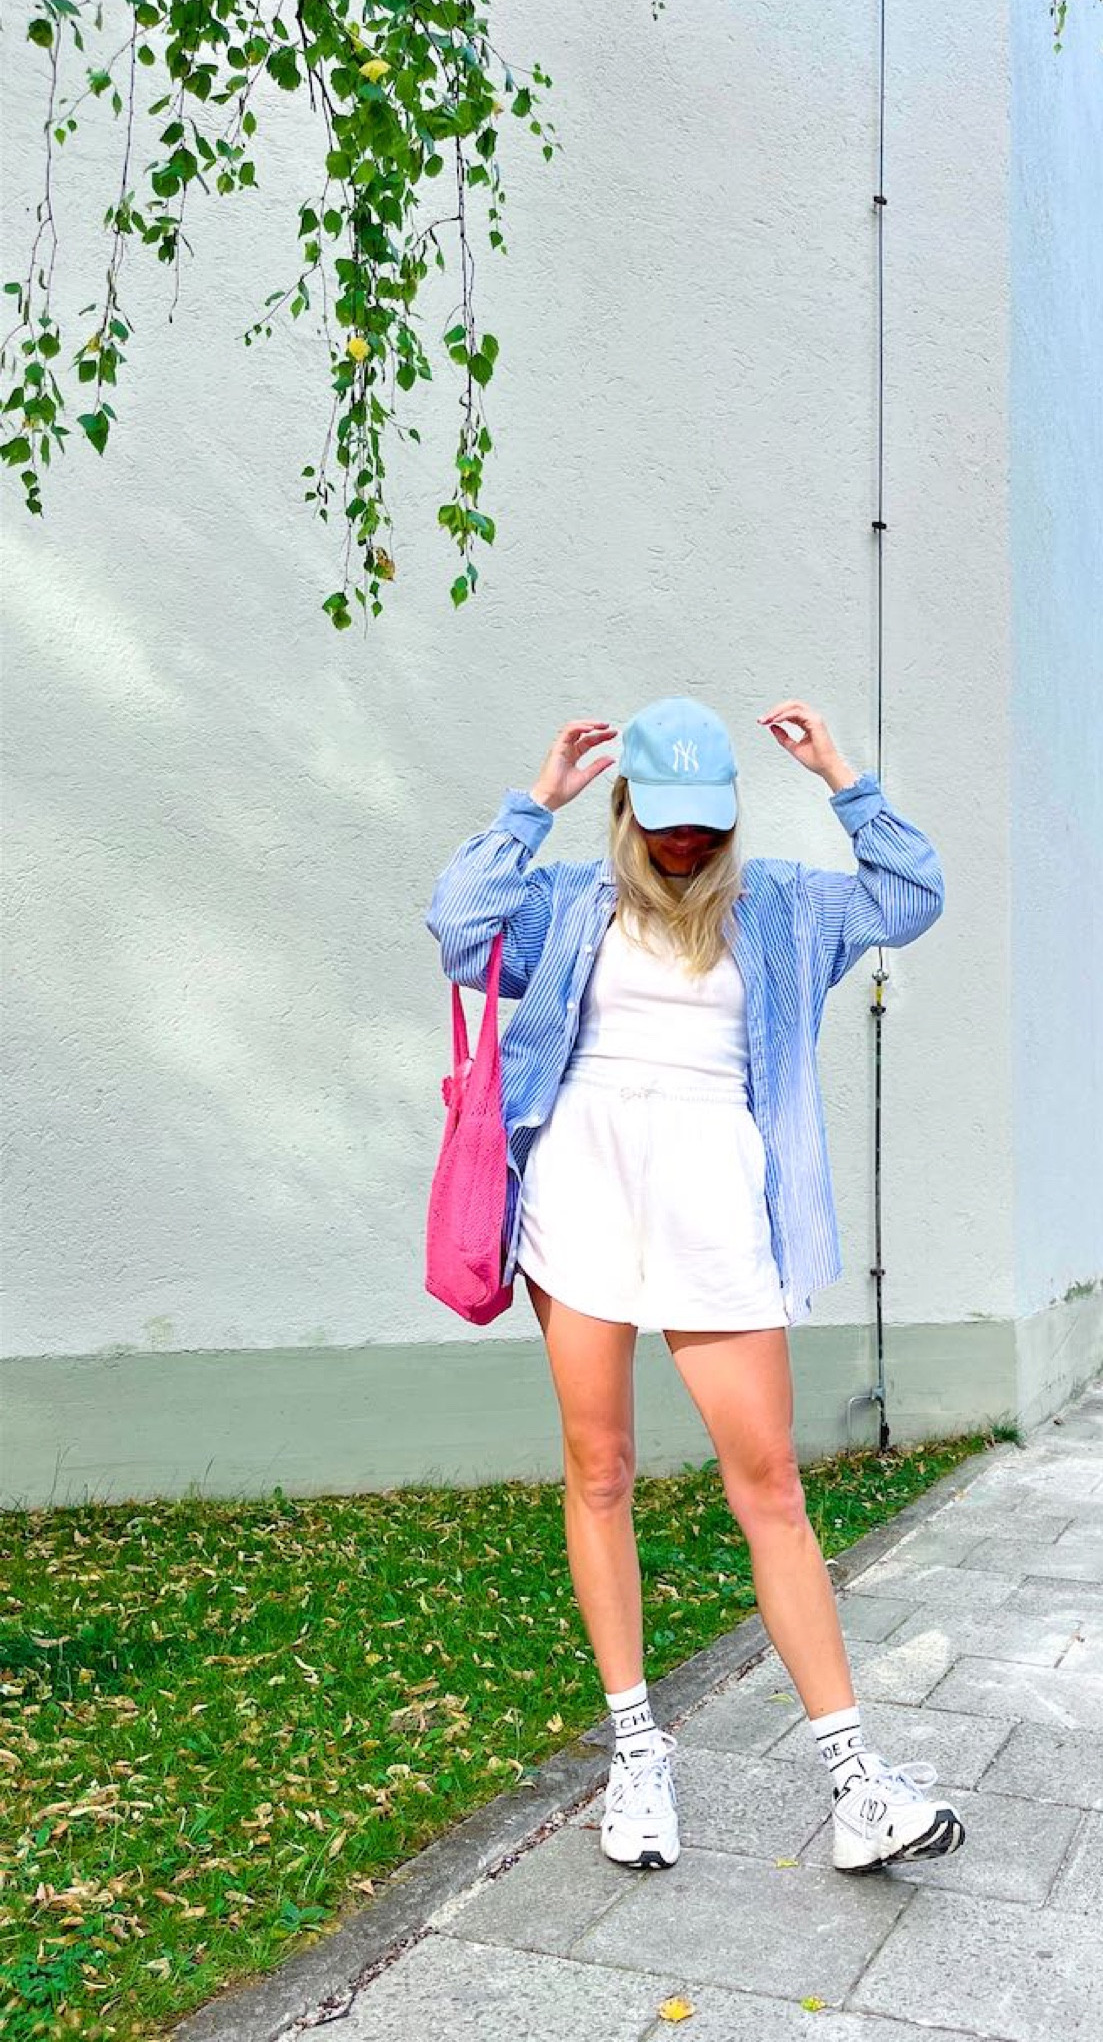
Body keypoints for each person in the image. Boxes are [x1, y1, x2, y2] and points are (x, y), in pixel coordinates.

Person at [425, 695, 965, 1876]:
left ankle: (854, 1782)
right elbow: (456, 922)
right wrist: (535, 801)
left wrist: (843, 778)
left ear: (728, 812)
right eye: (662, 817)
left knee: (769, 1483)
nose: (683, 840)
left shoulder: (781, 903)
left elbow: (912, 894)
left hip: (717, 1199)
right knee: (599, 1468)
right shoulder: (569, 900)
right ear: (625, 807)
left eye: (702, 820)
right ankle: (635, 1752)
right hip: (580, 1188)